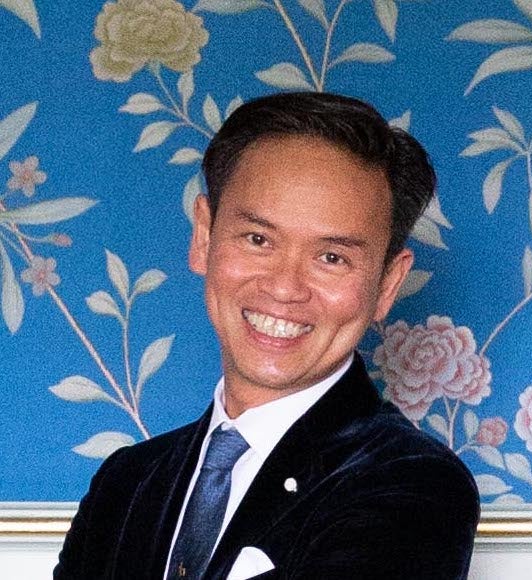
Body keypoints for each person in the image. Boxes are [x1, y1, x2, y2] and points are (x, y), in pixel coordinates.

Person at [54, 92, 480, 579]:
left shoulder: (414, 483)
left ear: (387, 284)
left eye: (332, 258)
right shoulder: (126, 482)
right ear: (204, 237)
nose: (284, 287)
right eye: (258, 240)